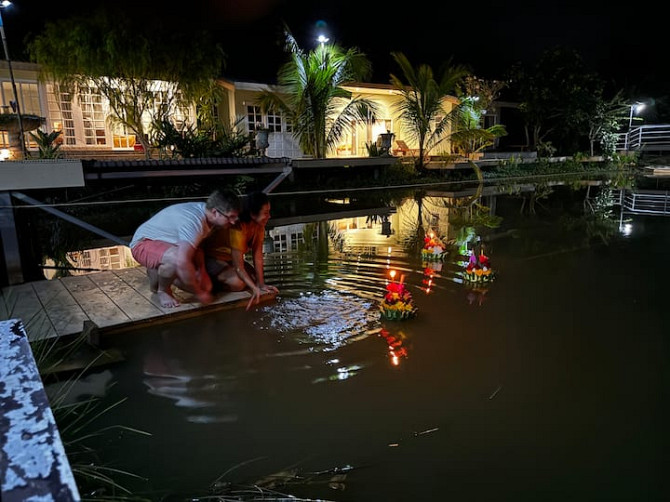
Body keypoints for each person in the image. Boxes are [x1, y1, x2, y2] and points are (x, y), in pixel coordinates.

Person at [129, 189, 240, 308]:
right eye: (230, 217)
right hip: (143, 243)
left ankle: (157, 272)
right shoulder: (194, 221)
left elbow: (198, 248)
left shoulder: (208, 218)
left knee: (206, 285)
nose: (233, 222)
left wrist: (201, 271)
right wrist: (199, 293)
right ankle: (164, 290)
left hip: (170, 245)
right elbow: (182, 262)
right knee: (176, 260)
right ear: (215, 212)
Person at [203, 190, 279, 310]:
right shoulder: (238, 227)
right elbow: (239, 266)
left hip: (230, 261)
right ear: (253, 213)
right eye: (266, 213)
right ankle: (209, 282)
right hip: (213, 258)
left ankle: (228, 276)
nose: (269, 216)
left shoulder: (259, 226)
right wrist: (254, 289)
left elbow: (257, 255)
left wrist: (261, 284)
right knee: (238, 284)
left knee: (254, 278)